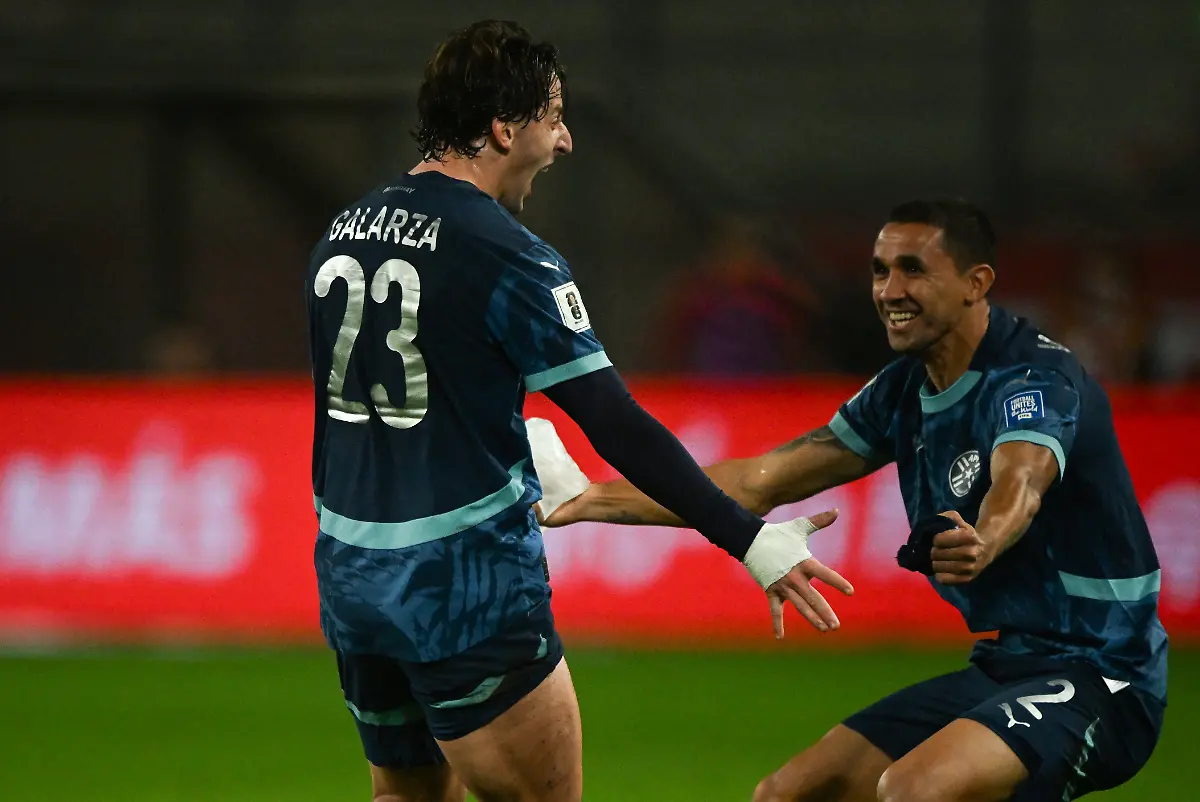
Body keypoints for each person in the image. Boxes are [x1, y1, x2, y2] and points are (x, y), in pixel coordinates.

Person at [304, 20, 850, 802]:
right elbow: (616, 424)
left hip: (353, 579)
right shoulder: (509, 254)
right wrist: (749, 540)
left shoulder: (342, 233)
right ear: (503, 127)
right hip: (462, 586)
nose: (565, 141)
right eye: (553, 116)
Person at [537, 198, 1167, 802]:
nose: (889, 291)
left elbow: (1021, 481)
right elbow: (759, 482)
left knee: (917, 790)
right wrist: (594, 499)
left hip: (1106, 673)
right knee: (793, 793)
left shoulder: (1034, 379)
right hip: (1010, 665)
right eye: (879, 270)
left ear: (977, 283)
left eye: (913, 270)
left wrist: (987, 535)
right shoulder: (903, 392)